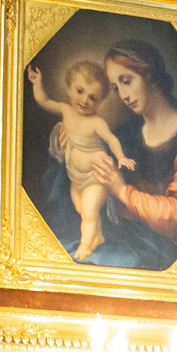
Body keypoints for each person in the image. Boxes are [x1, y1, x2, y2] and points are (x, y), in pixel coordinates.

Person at [75, 40, 177, 270]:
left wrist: (122, 191)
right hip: (119, 237)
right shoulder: (126, 132)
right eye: (116, 88)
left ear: (149, 76)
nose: (123, 95)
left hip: (163, 255)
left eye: (126, 81)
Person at [25, 59, 137, 261]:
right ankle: (98, 236)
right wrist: (37, 83)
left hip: (95, 177)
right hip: (76, 178)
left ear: (100, 101)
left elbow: (111, 139)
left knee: (88, 212)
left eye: (93, 98)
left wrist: (121, 157)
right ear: (68, 90)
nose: (85, 100)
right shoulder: (65, 110)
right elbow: (43, 101)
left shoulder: (96, 122)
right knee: (82, 209)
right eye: (80, 91)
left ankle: (85, 245)